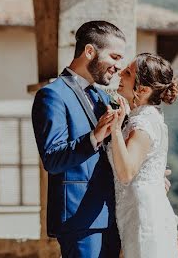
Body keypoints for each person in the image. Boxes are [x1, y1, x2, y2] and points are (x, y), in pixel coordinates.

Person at [31, 21, 125, 258]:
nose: (118, 66)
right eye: (114, 56)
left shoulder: (104, 97)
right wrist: (94, 136)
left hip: (113, 215)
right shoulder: (52, 95)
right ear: (89, 51)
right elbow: (52, 158)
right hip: (79, 218)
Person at [97, 52, 178, 258]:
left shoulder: (141, 123)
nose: (119, 74)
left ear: (142, 89)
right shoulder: (144, 117)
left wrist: (116, 129)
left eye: (127, 73)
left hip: (144, 217)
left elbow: (126, 173)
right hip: (135, 212)